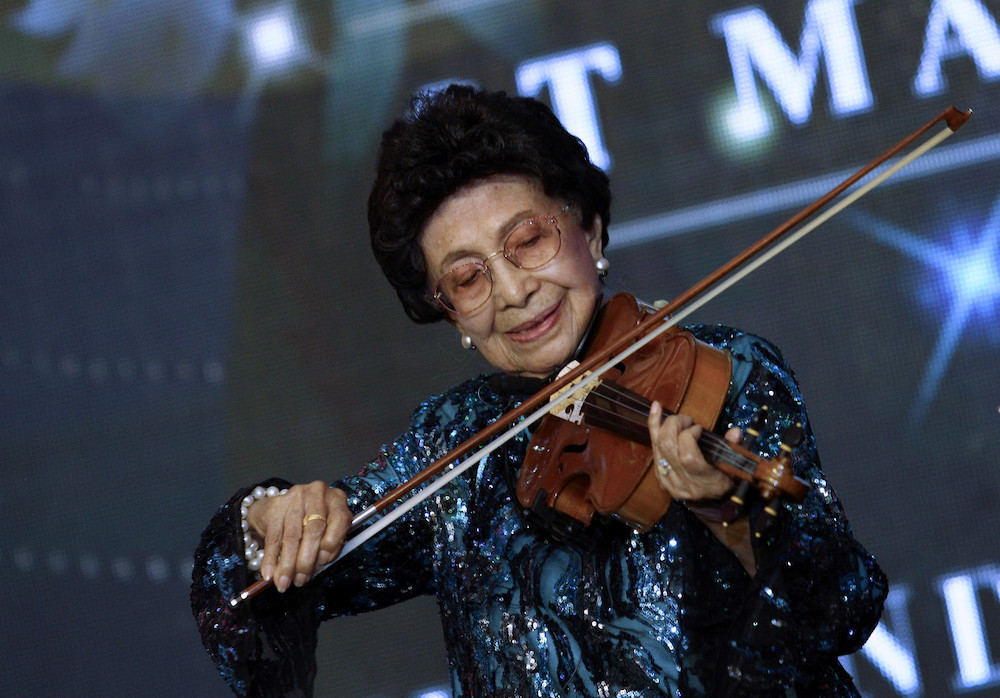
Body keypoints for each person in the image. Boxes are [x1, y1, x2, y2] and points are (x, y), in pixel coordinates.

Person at [191, 84, 887, 697]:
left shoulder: (725, 369)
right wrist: (271, 519)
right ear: (450, 313)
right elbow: (301, 575)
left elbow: (843, 602)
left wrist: (729, 511)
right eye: (467, 278)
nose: (515, 291)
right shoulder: (452, 439)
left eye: (527, 239)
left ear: (588, 227)